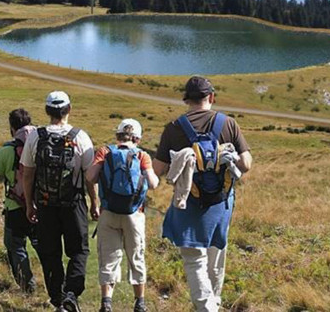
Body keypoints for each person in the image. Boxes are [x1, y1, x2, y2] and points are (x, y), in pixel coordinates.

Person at [153, 76, 252, 312]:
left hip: (187, 203)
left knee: (194, 259)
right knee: (216, 255)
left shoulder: (174, 128)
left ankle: (207, 307)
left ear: (187, 99)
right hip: (220, 204)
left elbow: (157, 171)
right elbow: (246, 163)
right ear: (211, 97)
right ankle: (213, 302)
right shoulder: (228, 123)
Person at [21, 91, 100, 312]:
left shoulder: (35, 136)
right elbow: (89, 177)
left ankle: (57, 298)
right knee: (79, 251)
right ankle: (72, 295)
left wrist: (29, 204)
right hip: (73, 203)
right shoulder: (80, 137)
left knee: (50, 252)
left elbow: (27, 174)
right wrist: (95, 203)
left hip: (45, 204)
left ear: (47, 111)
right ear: (69, 109)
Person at [86, 118, 159, 312]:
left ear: (118, 135)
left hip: (108, 212)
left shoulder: (105, 151)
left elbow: (90, 177)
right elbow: (153, 183)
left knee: (108, 257)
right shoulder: (142, 155)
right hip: (134, 213)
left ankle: (106, 302)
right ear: (137, 137)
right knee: (136, 256)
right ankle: (140, 303)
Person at [0, 108, 40, 292]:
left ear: (12, 127)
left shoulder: (6, 151)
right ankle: (56, 284)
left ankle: (27, 287)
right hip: (40, 205)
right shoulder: (41, 145)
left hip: (15, 207)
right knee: (44, 246)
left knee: (15, 246)